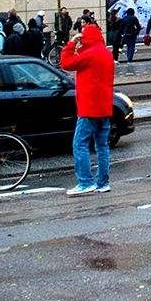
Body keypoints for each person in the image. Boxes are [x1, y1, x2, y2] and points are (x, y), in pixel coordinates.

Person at [57, 20, 114, 195]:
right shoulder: (106, 53)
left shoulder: (89, 55)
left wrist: (72, 43)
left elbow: (66, 63)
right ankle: (103, 182)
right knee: (102, 146)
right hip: (105, 107)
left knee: (79, 144)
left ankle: (85, 182)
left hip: (89, 108)